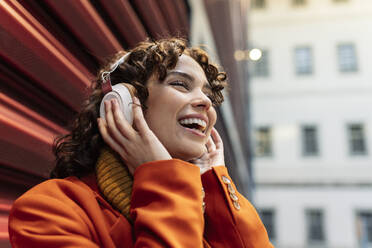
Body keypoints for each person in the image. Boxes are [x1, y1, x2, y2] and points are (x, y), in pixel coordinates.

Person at [8, 38, 273, 248]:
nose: (206, 103)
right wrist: (165, 181)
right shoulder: (49, 210)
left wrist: (215, 186)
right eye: (180, 84)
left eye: (208, 95)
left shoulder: (201, 208)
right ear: (123, 105)